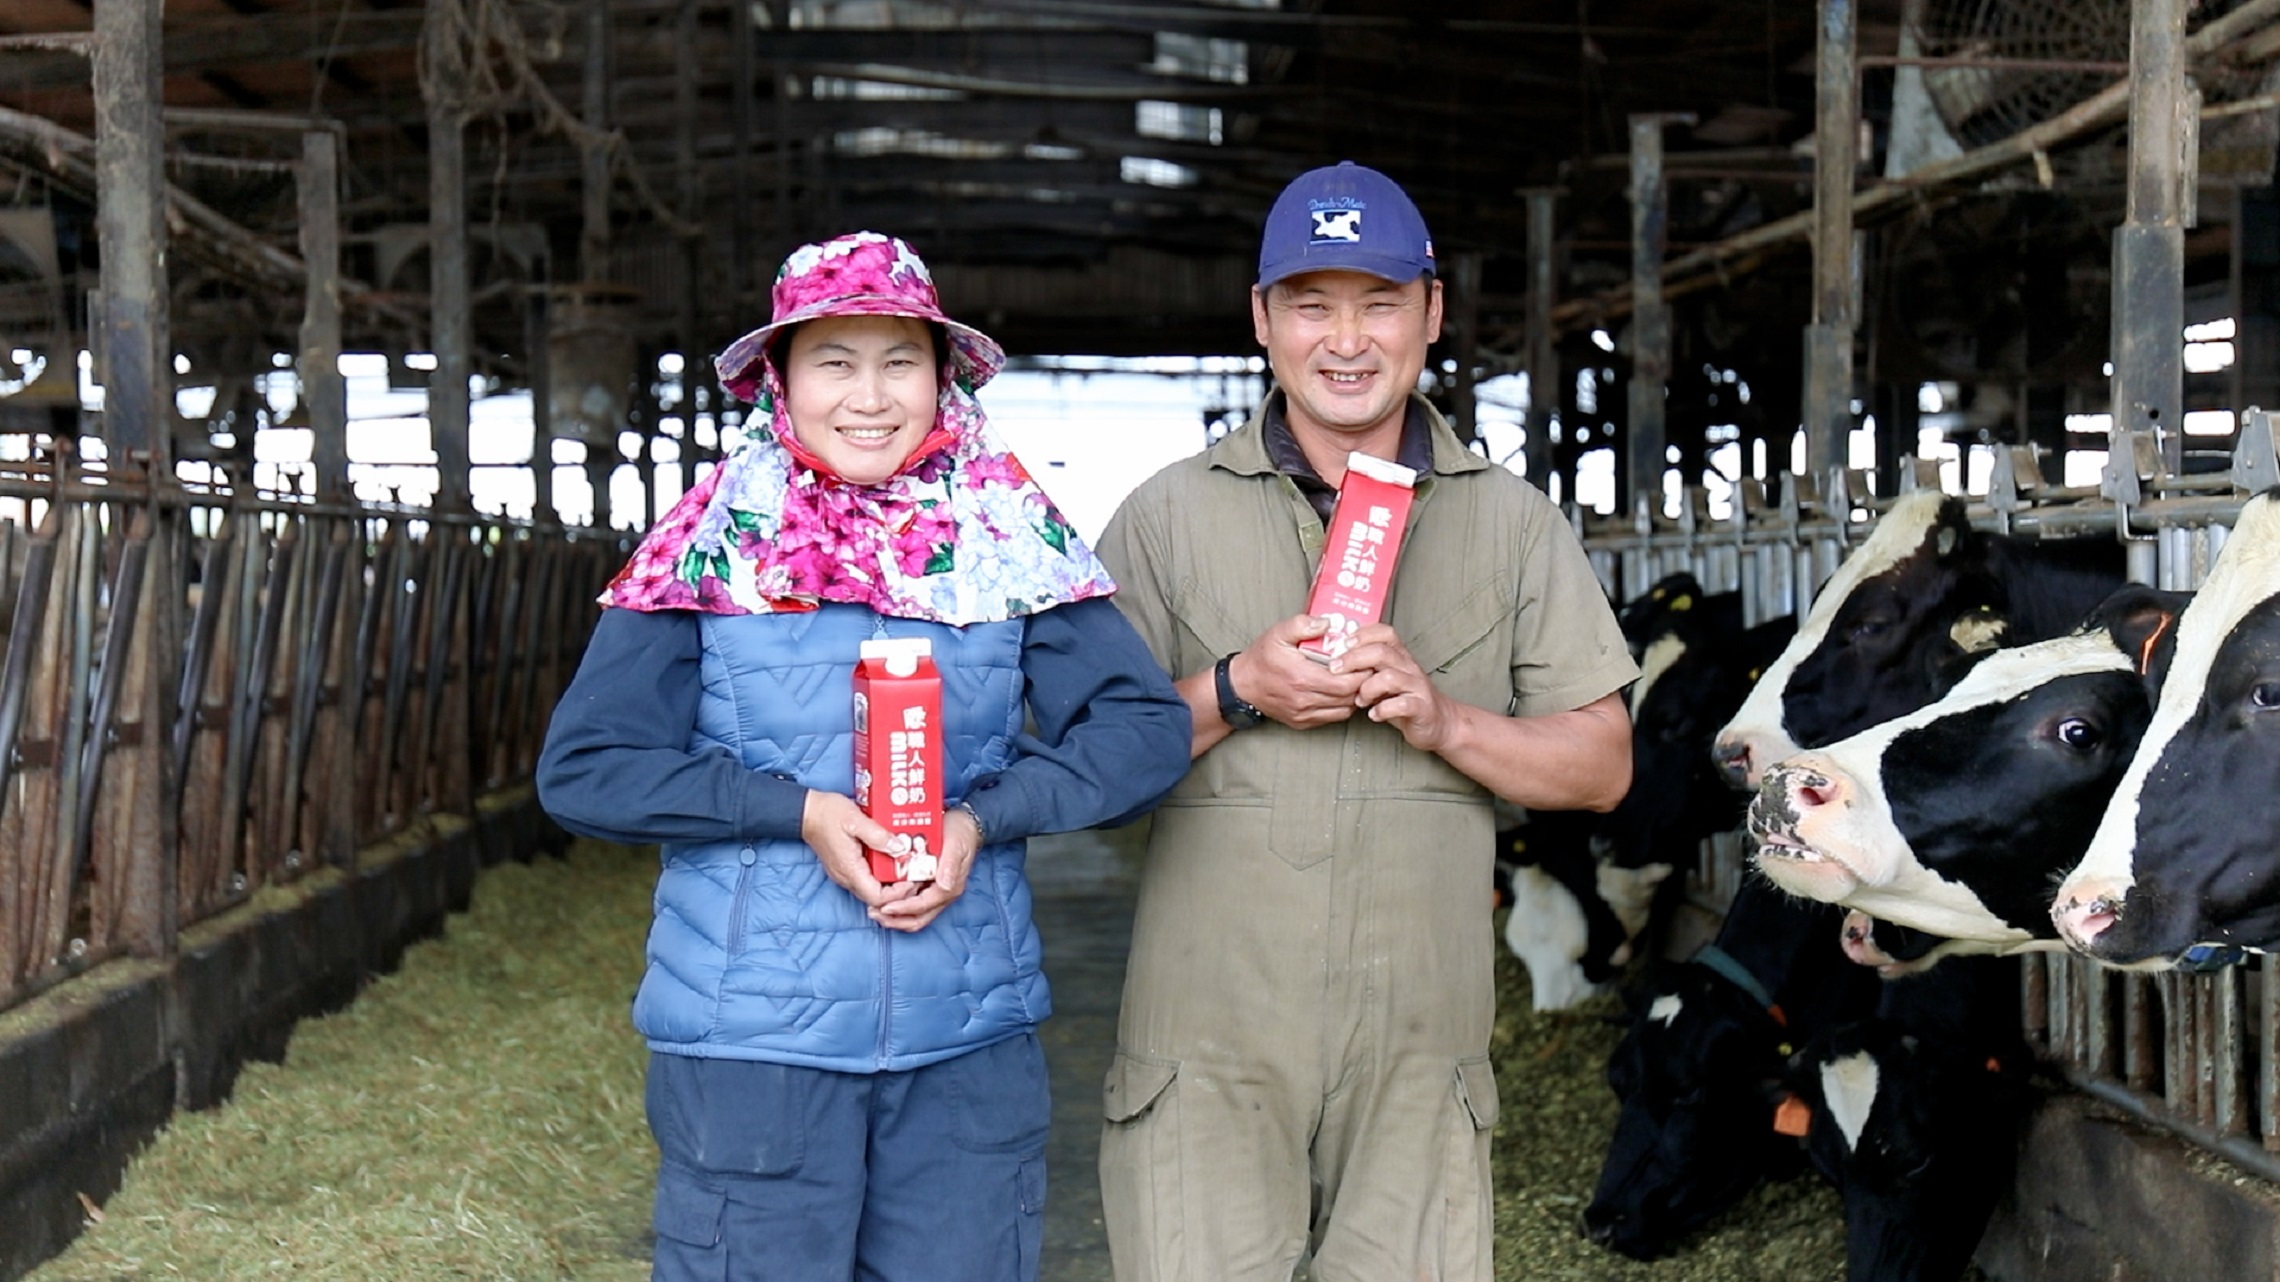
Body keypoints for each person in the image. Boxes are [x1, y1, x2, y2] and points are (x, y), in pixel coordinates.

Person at [536, 231, 1191, 1282]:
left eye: (900, 361)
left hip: (966, 1040)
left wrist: (983, 816)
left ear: (944, 378)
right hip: (752, 1052)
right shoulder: (710, 547)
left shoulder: (1007, 535)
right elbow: (588, 768)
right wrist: (793, 810)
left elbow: (1143, 730)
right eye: (833, 361)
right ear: (780, 382)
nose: (870, 396)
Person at [1093, 162, 1639, 1281]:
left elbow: (1601, 767)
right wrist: (1234, 689)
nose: (1347, 340)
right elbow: (1080, 767)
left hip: (1416, 1058)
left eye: (1380, 302)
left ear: (1432, 312)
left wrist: (1446, 721)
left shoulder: (1515, 524)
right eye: (1310, 303)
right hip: (1207, 1049)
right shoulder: (1164, 516)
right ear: (1262, 320)